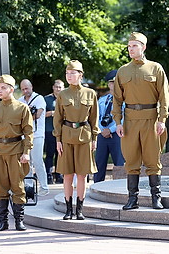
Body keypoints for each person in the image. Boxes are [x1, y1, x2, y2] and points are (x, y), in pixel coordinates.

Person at [113, 32, 169, 210]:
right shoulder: (123, 71)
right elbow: (117, 99)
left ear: (143, 47)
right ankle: (133, 199)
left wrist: (162, 119)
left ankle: (156, 197)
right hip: (130, 120)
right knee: (131, 160)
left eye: (135, 46)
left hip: (151, 119)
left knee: (153, 160)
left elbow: (164, 96)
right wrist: (118, 122)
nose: (131, 49)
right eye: (129, 46)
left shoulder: (155, 68)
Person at [0, 74, 33, 231]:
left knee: (18, 186)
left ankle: (19, 221)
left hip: (16, 150)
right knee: (1, 187)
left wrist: (27, 152)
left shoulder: (22, 108)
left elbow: (28, 132)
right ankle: (3, 221)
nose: (0, 91)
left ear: (11, 89)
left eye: (3, 88)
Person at [53, 60, 99, 220]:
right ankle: (68, 209)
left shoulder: (90, 93)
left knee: (82, 175)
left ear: (80, 75)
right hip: (66, 136)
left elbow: (94, 118)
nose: (69, 76)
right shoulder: (63, 94)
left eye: (73, 73)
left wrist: (95, 138)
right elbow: (57, 119)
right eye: (67, 73)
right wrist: (57, 139)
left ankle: (79, 209)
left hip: (85, 136)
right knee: (67, 174)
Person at [18, 79, 49, 196]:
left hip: (37, 135)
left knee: (37, 160)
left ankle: (44, 187)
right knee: (26, 161)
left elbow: (38, 115)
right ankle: (29, 187)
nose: (25, 91)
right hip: (24, 135)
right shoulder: (20, 101)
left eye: (27, 88)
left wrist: (25, 115)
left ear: (31, 87)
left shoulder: (39, 99)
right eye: (23, 89)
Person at [94, 70, 125, 183]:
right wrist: (102, 130)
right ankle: (97, 186)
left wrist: (111, 130)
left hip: (117, 134)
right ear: (108, 84)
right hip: (102, 134)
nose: (114, 85)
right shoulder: (102, 100)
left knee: (119, 163)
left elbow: (124, 118)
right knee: (99, 163)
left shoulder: (124, 100)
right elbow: (96, 116)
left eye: (116, 82)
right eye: (111, 83)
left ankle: (120, 187)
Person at [44, 79, 65, 184]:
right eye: (56, 87)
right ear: (53, 87)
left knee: (60, 154)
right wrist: (52, 113)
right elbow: (41, 114)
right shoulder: (46, 99)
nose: (58, 89)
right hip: (50, 130)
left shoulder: (65, 98)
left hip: (62, 131)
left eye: (60, 87)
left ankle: (59, 175)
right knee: (49, 154)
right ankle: (48, 175)